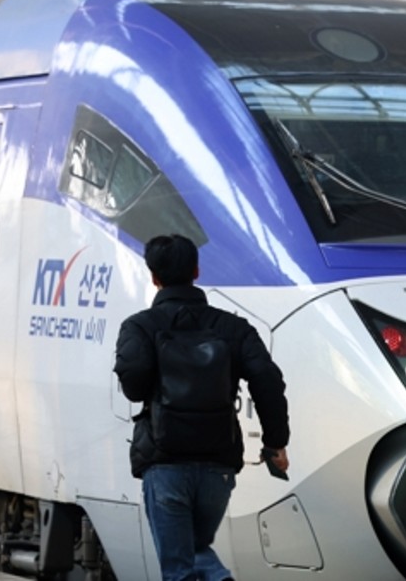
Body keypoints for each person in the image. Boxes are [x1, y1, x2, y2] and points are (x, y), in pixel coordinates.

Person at [114, 234, 290, 581]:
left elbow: (133, 388)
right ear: (196, 270)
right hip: (217, 467)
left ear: (154, 276)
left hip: (164, 463)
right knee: (194, 550)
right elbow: (267, 381)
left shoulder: (140, 326)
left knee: (179, 568)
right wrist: (275, 443)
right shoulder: (234, 328)